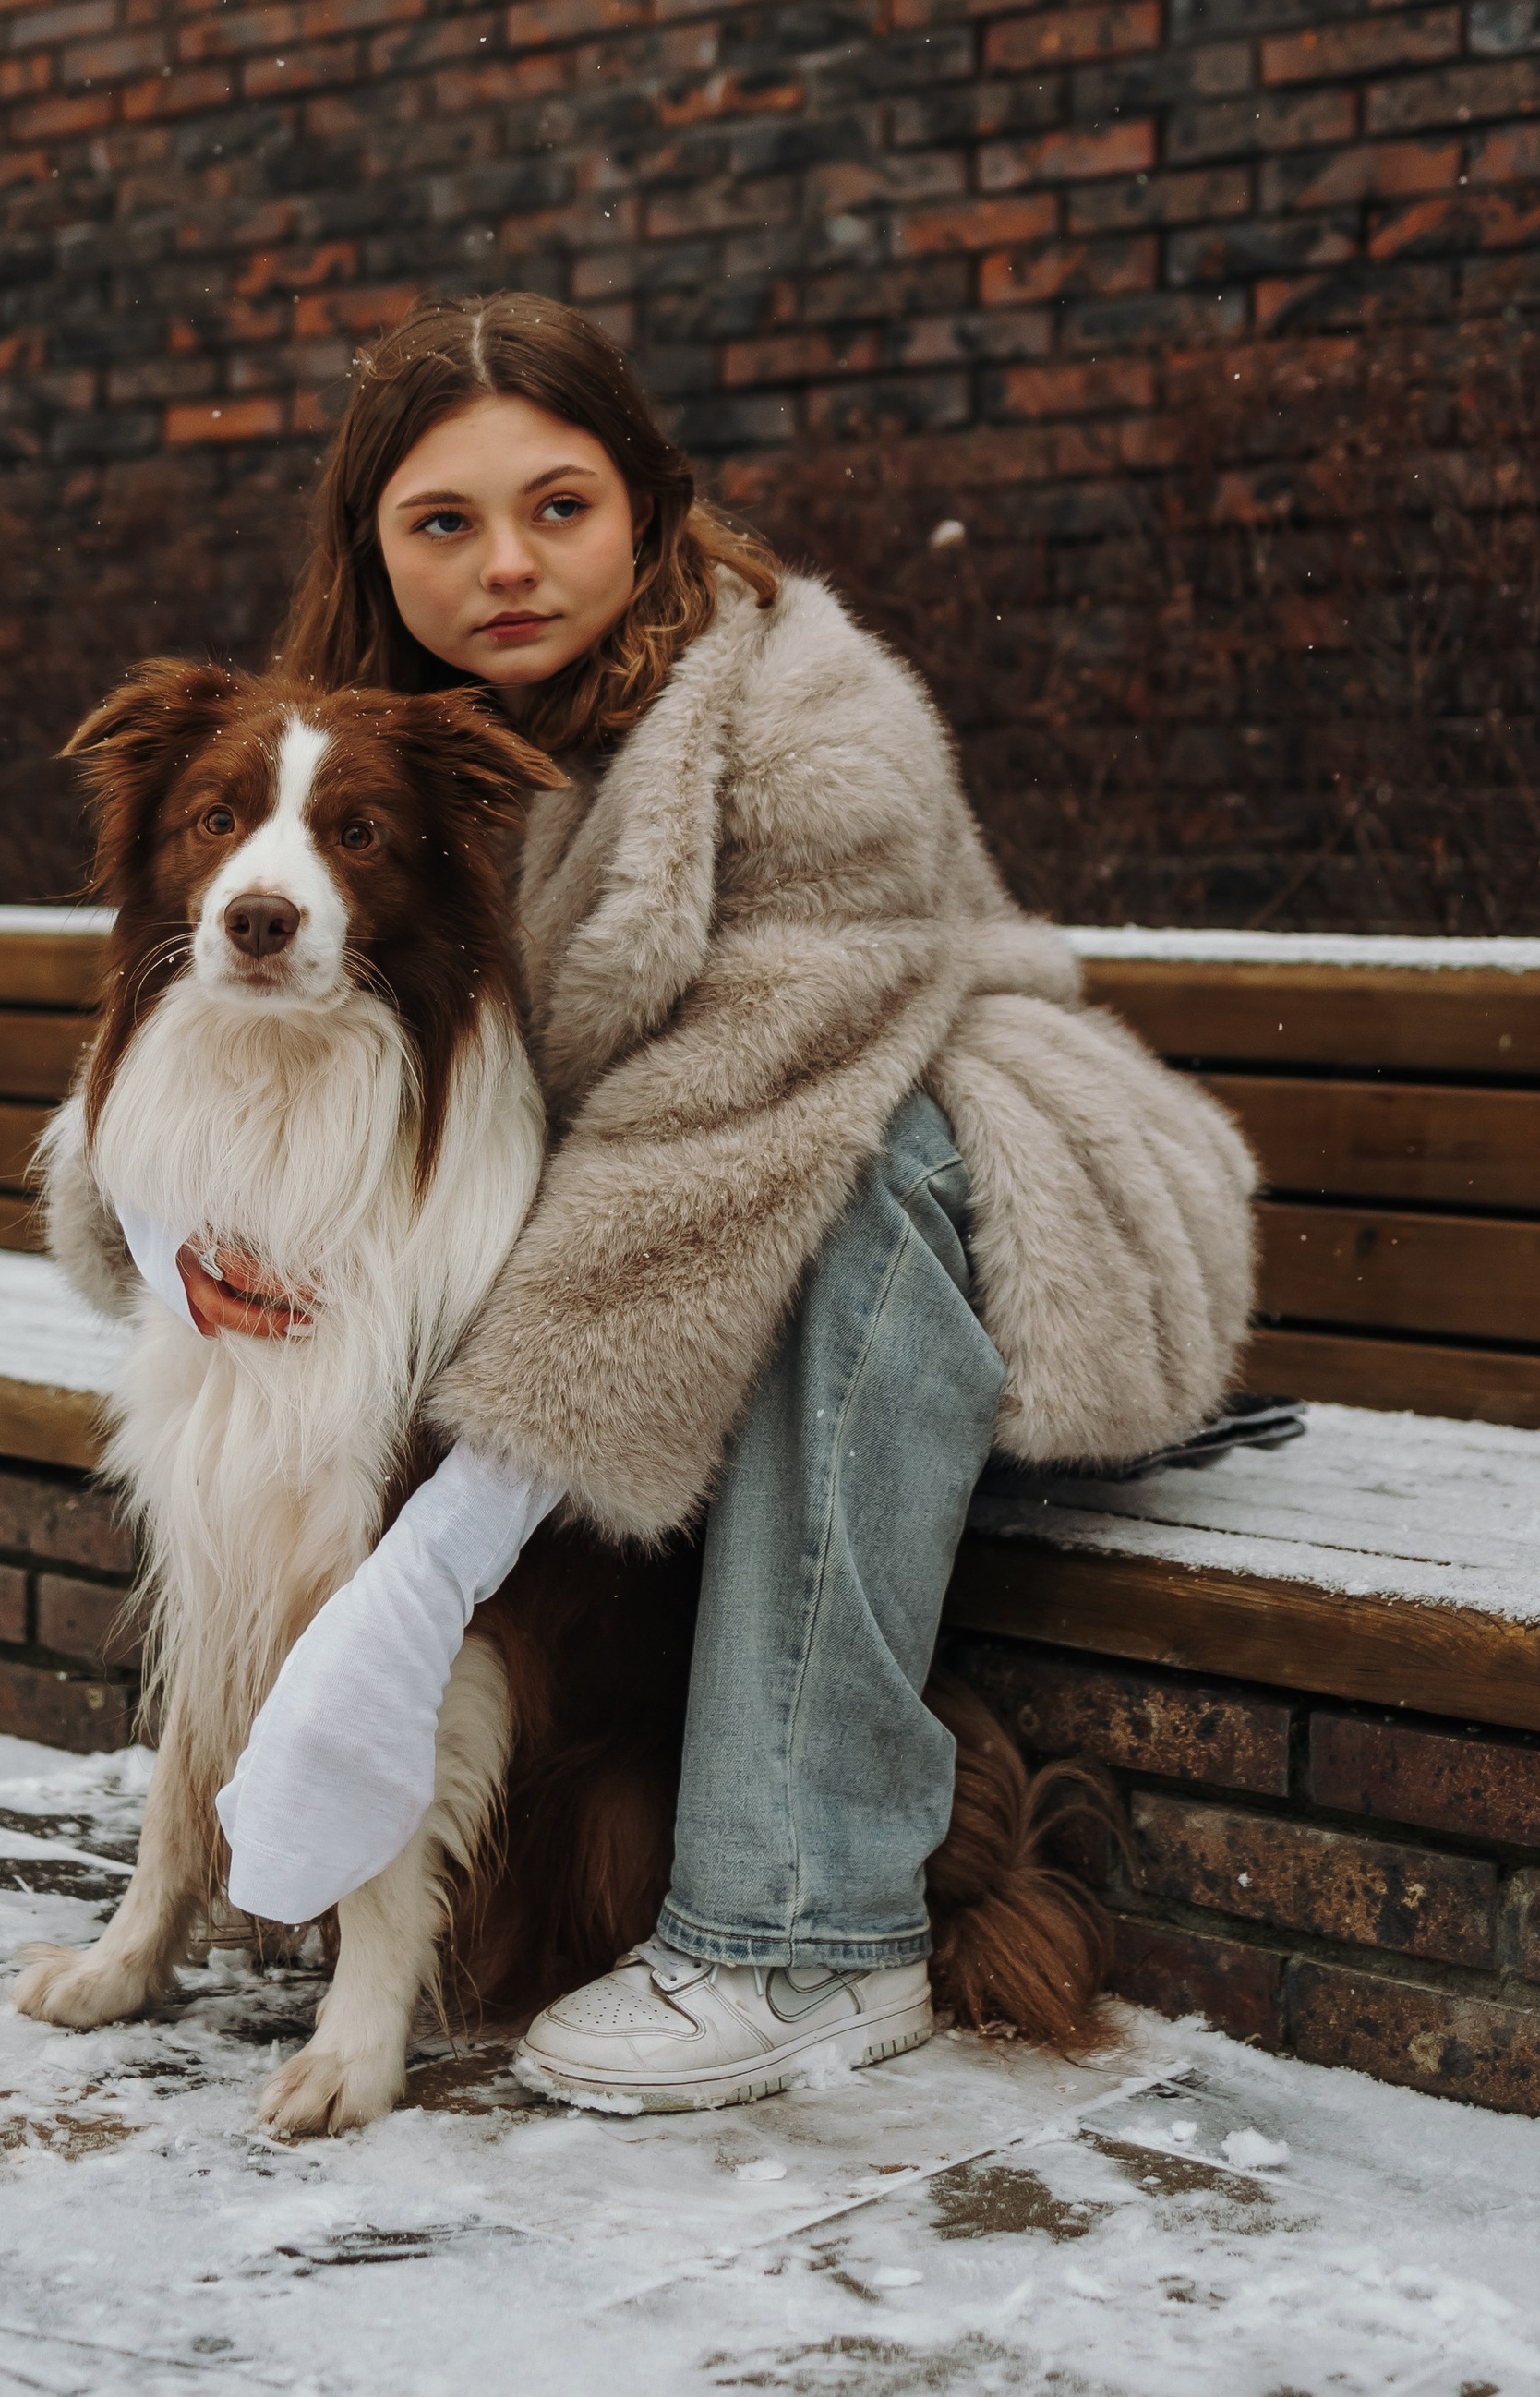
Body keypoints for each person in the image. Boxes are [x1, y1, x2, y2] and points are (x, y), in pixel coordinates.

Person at [198, 293, 1257, 2114]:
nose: (506, 565)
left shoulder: (799, 730)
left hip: (965, 1218)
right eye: (441, 524)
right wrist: (179, 1244)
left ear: (648, 503)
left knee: (850, 1172)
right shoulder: (357, 751)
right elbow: (209, 1065)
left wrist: (434, 1563)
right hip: (646, 1303)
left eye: (558, 506)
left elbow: (709, 1174)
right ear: (370, 549)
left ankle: (805, 1930)